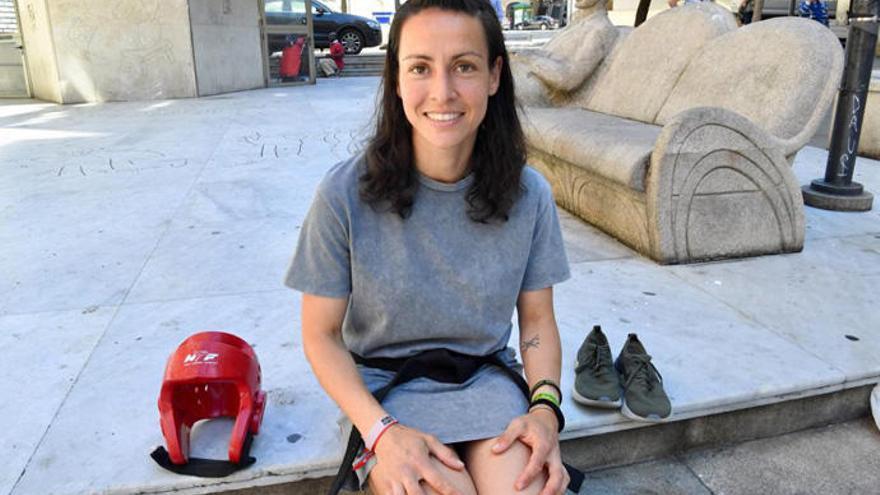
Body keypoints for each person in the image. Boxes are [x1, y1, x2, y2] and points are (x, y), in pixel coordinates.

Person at [285, 0, 575, 494]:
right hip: (384, 395)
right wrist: (380, 434)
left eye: (464, 66)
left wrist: (546, 408)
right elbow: (321, 335)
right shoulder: (342, 196)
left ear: (494, 75)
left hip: (487, 381)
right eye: (420, 67)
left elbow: (538, 320)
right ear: (396, 78)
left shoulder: (530, 196)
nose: (442, 92)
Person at [511, 0, 618, 107]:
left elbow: (569, 79)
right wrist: (525, 54)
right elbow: (549, 54)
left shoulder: (602, 28)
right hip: (529, 78)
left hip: (539, 89)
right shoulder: (576, 22)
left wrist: (530, 59)